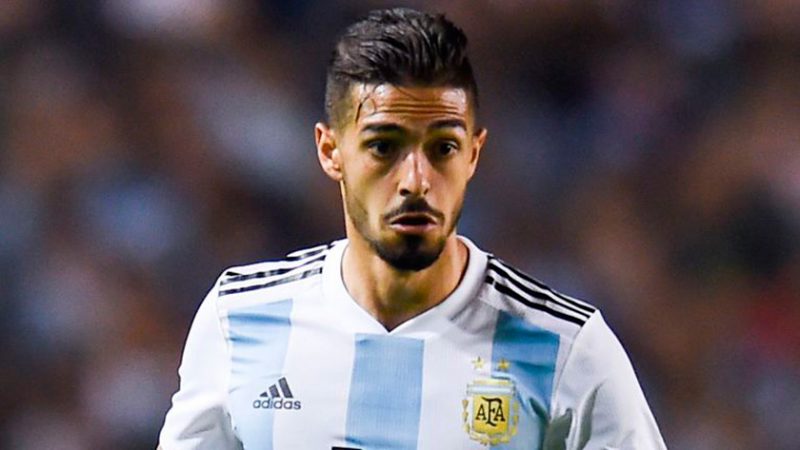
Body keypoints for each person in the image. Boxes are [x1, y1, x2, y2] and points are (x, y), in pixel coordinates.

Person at [158, 7, 667, 449]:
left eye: (443, 147)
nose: (416, 181)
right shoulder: (239, 319)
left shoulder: (567, 349)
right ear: (331, 151)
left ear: (473, 155)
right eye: (384, 147)